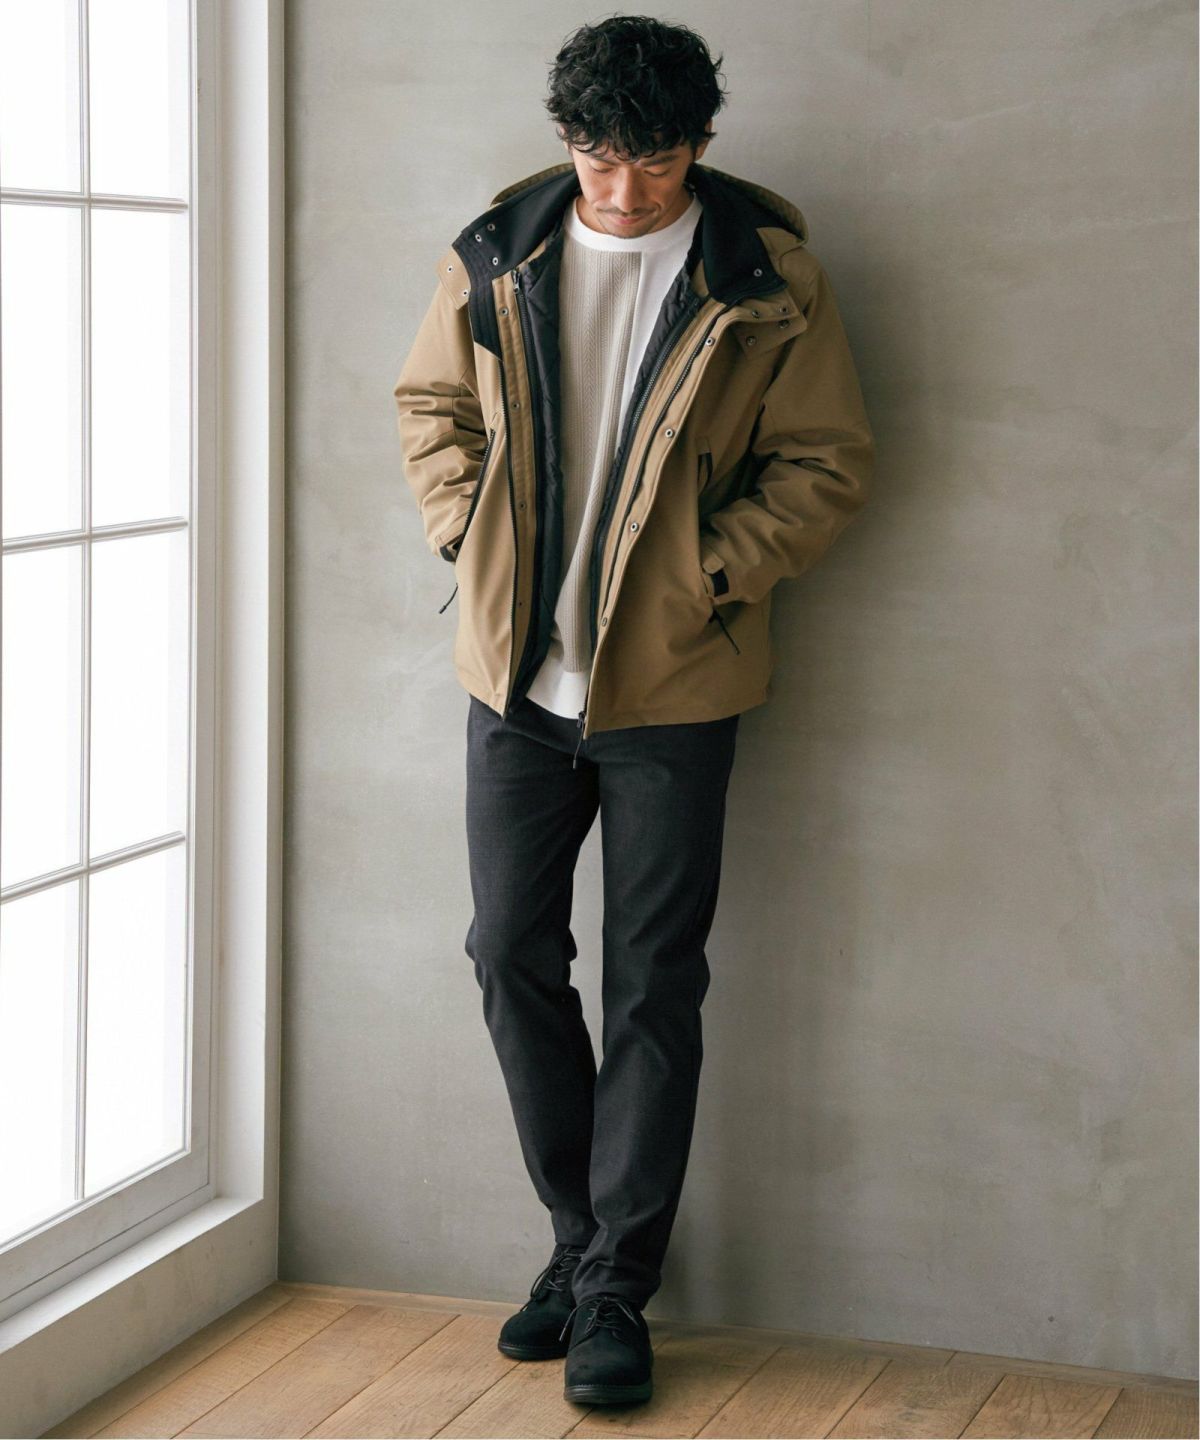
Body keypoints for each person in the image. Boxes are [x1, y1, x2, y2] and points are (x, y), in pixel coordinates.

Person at [393, 14, 874, 1408]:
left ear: (699, 147)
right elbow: (431, 406)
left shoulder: (764, 275)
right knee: (508, 953)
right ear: (567, 142)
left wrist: (706, 577)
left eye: (655, 162)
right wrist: (467, 536)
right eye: (600, 159)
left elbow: (826, 461)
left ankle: (612, 1292)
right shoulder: (498, 250)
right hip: (515, 683)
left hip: (675, 683)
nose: (624, 189)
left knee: (655, 982)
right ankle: (576, 1236)